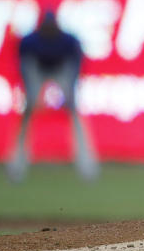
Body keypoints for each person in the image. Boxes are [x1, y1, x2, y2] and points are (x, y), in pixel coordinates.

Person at [7, 11, 99, 182]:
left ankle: (87, 167)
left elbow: (76, 66)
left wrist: (69, 94)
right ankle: (16, 166)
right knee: (27, 112)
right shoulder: (30, 42)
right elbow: (25, 67)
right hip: (37, 70)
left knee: (74, 111)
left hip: (62, 70)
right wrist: (31, 97)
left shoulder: (68, 41)